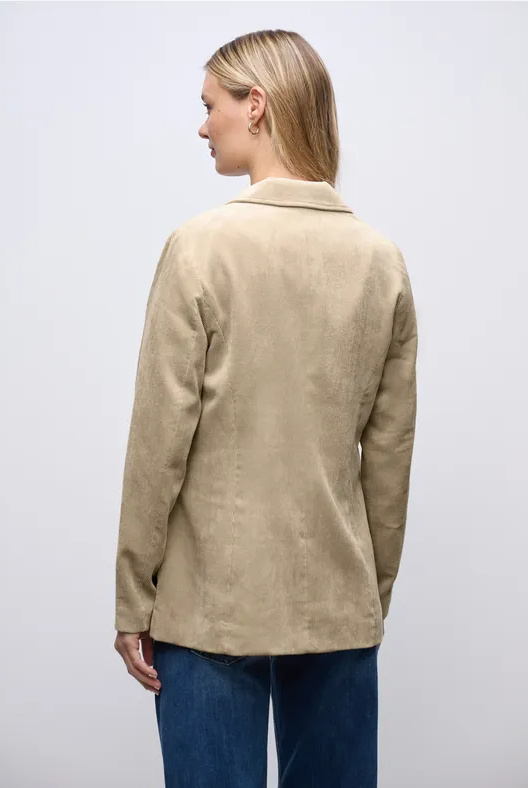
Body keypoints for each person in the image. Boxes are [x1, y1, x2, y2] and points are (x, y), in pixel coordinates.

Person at [113, 28, 418, 788]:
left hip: (209, 607)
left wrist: (133, 597)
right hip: (337, 604)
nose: (202, 125)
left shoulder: (200, 248)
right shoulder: (379, 262)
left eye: (209, 105)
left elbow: (158, 445)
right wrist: (366, 596)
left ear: (257, 106)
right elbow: (388, 459)